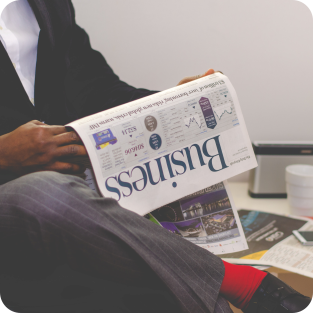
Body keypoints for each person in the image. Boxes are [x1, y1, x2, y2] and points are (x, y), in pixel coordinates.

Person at [0, 1, 311, 312]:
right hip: (25, 199)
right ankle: (248, 285)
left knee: (170, 281)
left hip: (80, 202)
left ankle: (247, 290)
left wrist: (170, 104)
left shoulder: (50, 6)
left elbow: (97, 90)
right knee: (44, 193)